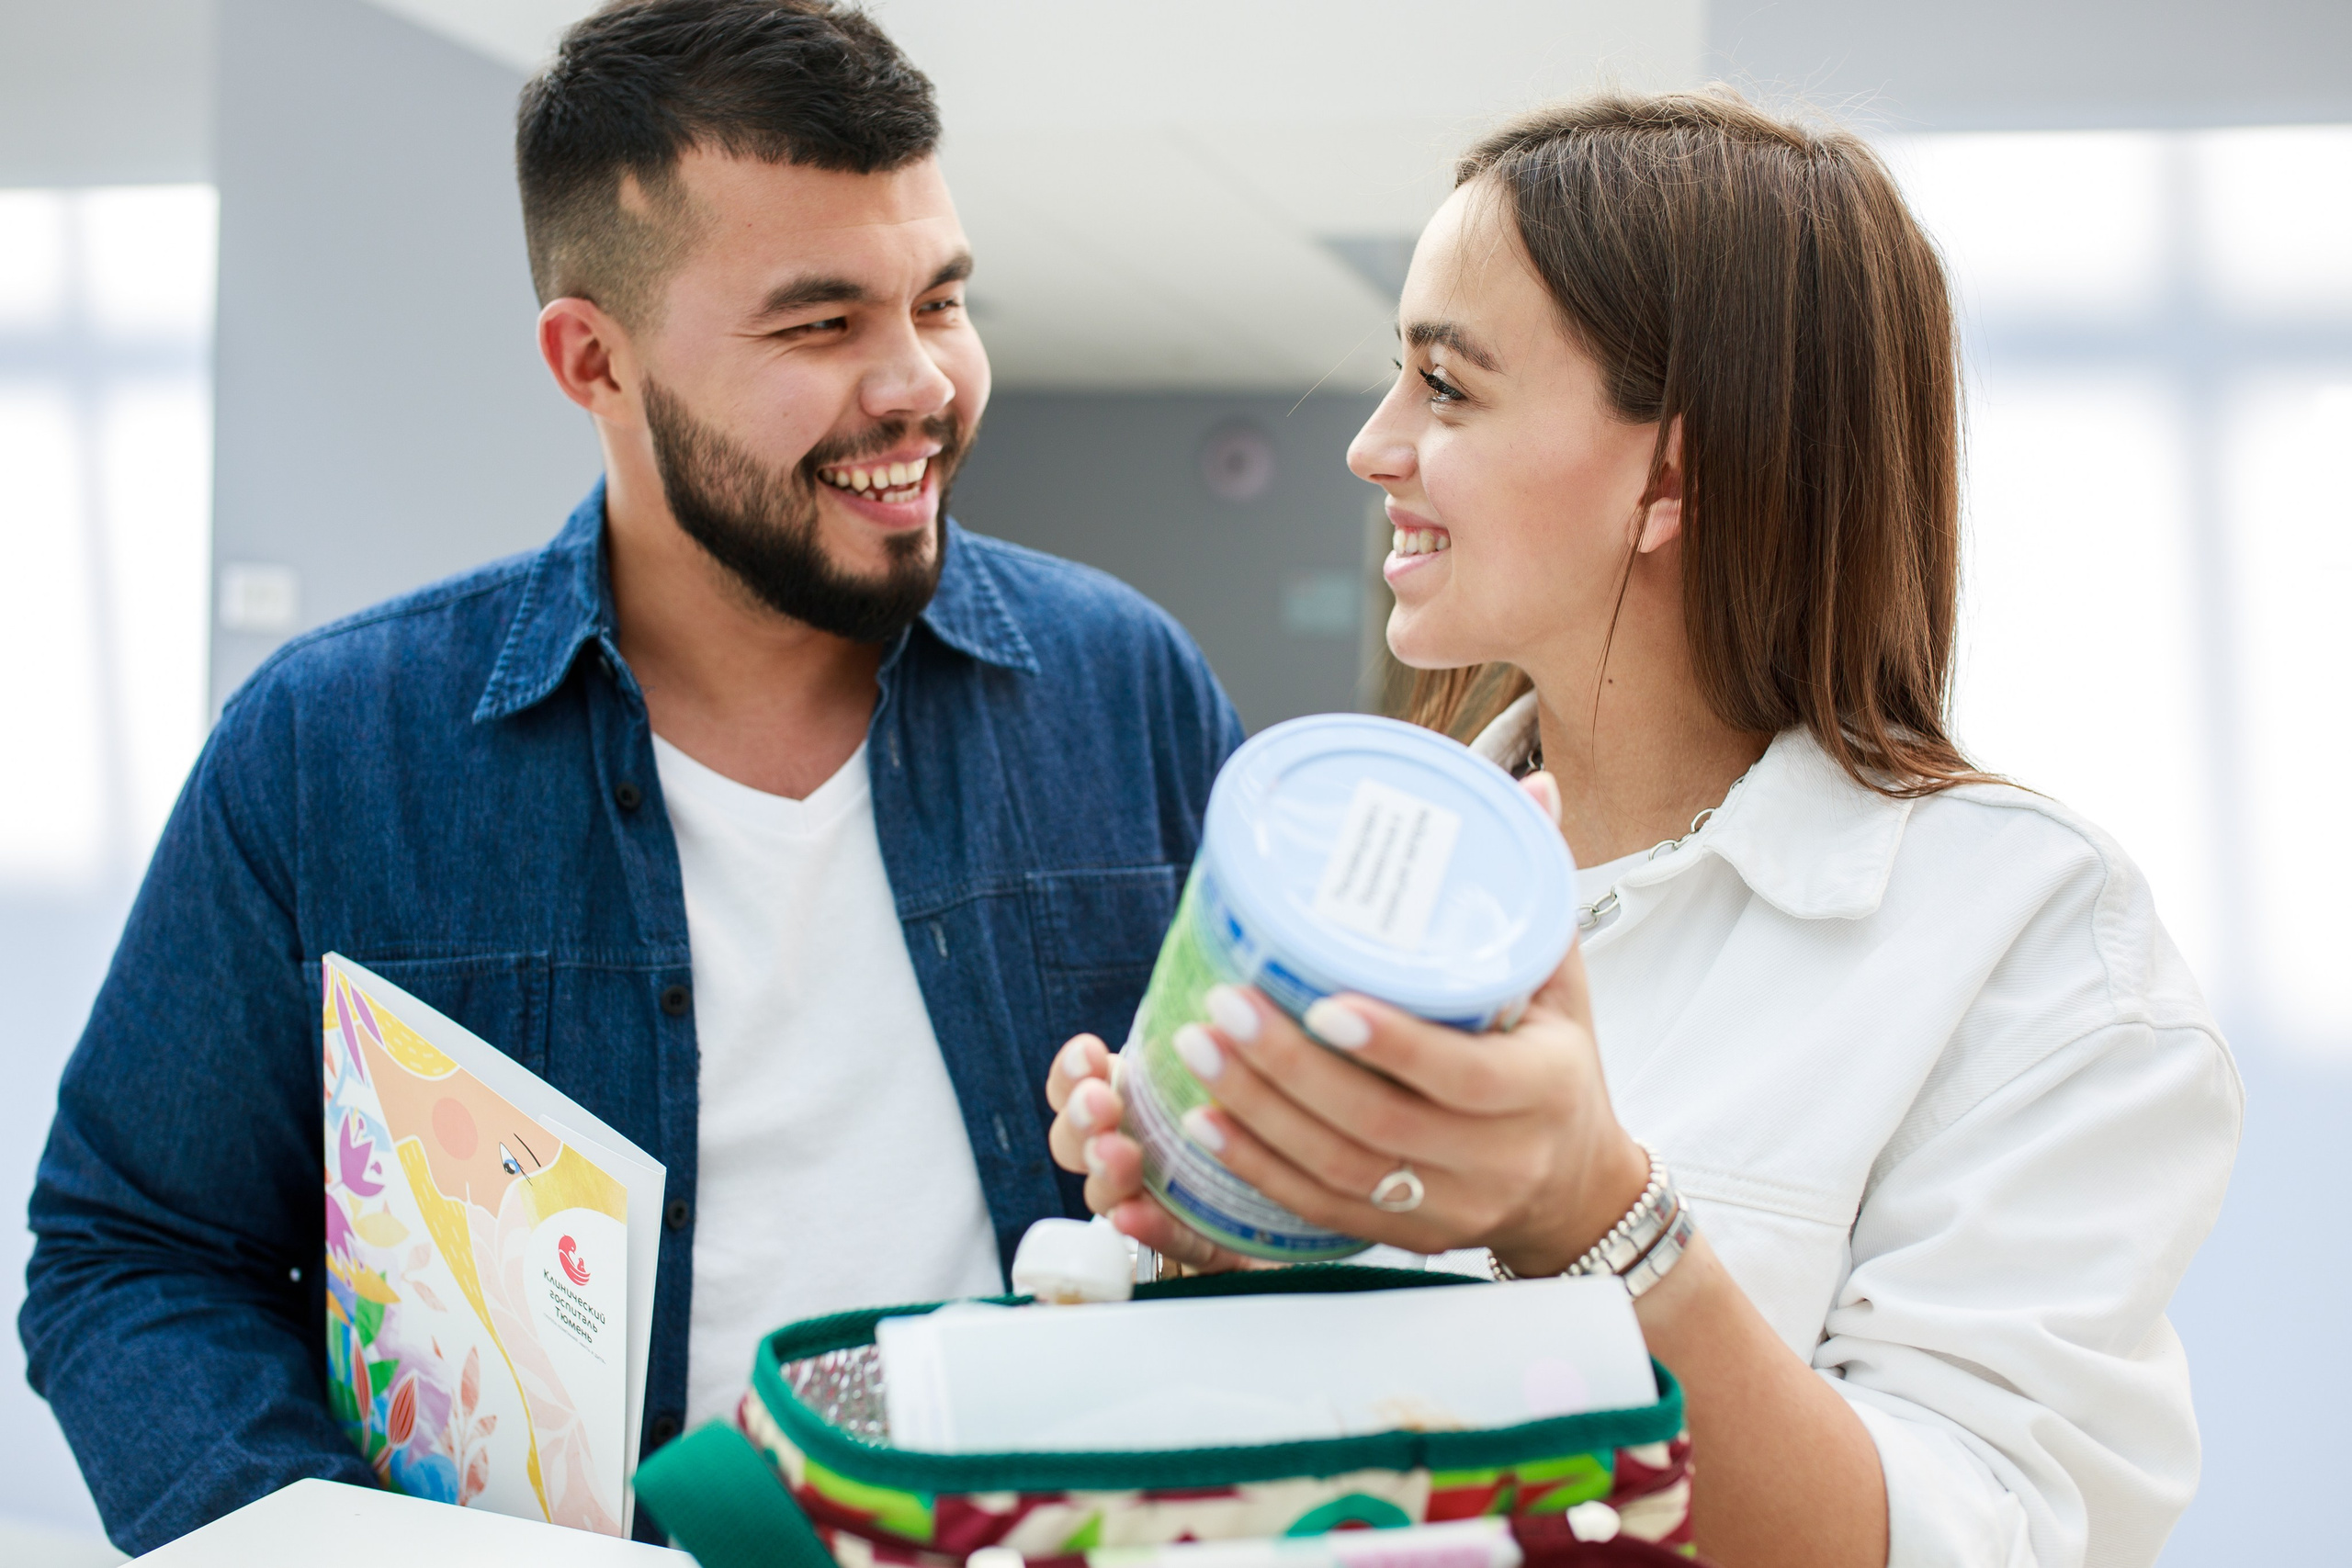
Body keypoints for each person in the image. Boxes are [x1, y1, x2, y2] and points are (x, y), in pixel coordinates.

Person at [22, 0, 1238, 1551]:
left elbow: (1263, 1207)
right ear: (592, 359)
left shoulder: (1125, 689)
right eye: (822, 324)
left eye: (939, 299)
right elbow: (128, 1256)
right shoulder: (330, 750)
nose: (921, 381)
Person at [1048, 92, 2239, 1568]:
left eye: (1449, 387)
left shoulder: (2030, 942)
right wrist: (1239, 1238)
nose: (1372, 446)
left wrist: (1595, 1220)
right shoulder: (1376, 860)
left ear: (1671, 471)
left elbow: (1966, 1535)